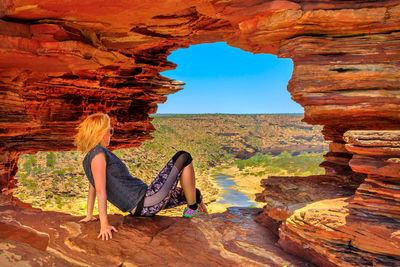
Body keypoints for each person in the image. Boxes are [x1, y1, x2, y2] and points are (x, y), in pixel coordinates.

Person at [73, 112, 207, 240]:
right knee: (183, 157)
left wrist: (89, 215)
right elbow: (101, 192)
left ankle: (205, 219)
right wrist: (104, 225)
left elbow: (93, 187)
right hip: (147, 201)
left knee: (194, 194)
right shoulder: (99, 154)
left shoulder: (89, 158)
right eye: (110, 130)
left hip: (144, 204)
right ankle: (193, 210)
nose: (111, 134)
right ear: (101, 133)